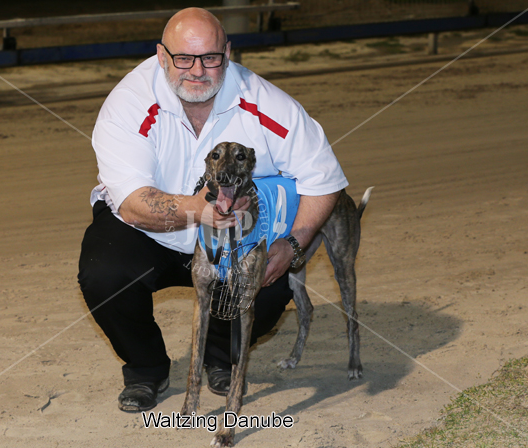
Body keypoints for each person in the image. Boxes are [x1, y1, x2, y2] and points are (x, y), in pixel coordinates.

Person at [78, 7, 348, 412]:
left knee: (271, 285)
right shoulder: (129, 103)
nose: (197, 71)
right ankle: (146, 368)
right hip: (148, 233)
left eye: (210, 58)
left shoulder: (265, 102)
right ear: (162, 56)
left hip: (231, 241)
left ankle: (221, 356)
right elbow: (133, 205)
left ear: (228, 53)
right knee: (104, 272)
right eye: (184, 58)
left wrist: (294, 243)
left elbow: (324, 178)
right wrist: (200, 210)